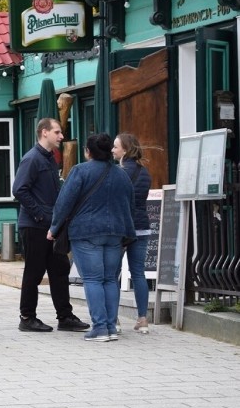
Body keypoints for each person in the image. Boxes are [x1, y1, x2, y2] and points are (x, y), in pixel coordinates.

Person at [49, 133, 135, 342]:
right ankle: (111, 326)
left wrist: (54, 227)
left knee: (93, 279)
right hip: (115, 232)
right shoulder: (121, 174)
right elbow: (129, 203)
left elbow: (64, 202)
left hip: (86, 232)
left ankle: (99, 328)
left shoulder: (80, 171)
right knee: (109, 280)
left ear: (88, 151)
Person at [13, 118, 90, 333]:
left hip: (51, 225)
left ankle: (64, 316)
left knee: (59, 269)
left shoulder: (49, 158)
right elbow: (19, 189)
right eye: (57, 132)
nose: (61, 136)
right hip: (35, 226)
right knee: (34, 272)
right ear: (44, 132)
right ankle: (27, 317)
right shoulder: (32, 159)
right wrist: (39, 215)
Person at [112, 132, 153, 334]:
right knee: (139, 273)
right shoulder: (145, 172)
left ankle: (114, 319)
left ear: (125, 150)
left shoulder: (118, 172)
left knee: (113, 274)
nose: (112, 150)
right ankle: (143, 319)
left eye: (116, 146)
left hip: (122, 227)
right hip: (142, 225)